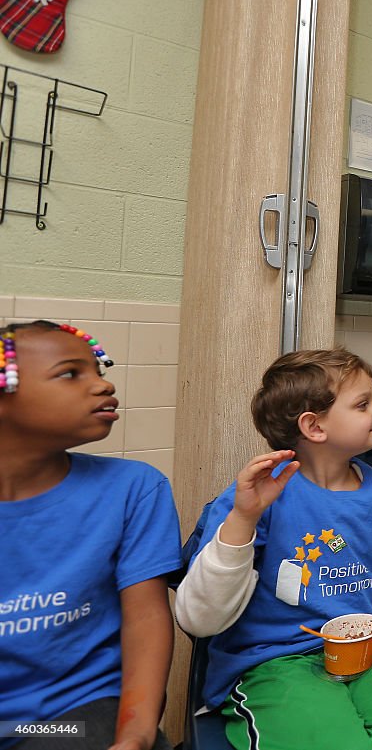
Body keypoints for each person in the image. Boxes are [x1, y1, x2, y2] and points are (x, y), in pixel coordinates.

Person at [174, 348, 372, 750]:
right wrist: (242, 520)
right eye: (364, 404)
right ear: (314, 427)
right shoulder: (255, 500)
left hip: (368, 653)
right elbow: (199, 619)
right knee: (335, 741)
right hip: (275, 661)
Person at [0, 321, 180, 750]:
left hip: (64, 723)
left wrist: (134, 737)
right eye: (70, 374)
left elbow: (147, 618)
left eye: (97, 371)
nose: (103, 385)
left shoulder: (133, 489)